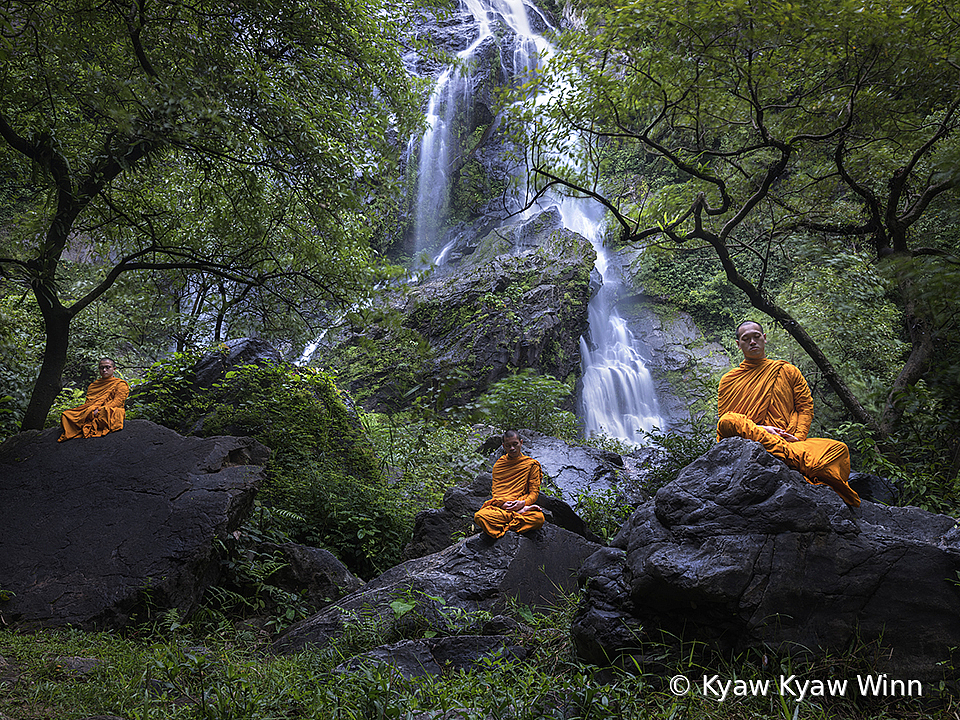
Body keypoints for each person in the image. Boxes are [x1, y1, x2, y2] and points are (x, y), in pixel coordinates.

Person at [717, 321, 861, 507]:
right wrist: (762, 430)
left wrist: (797, 438)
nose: (752, 342)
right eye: (746, 339)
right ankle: (791, 457)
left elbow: (805, 408)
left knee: (838, 448)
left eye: (756, 336)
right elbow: (726, 420)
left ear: (764, 338)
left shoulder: (787, 371)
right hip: (750, 439)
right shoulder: (729, 380)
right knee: (727, 420)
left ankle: (787, 453)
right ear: (738, 344)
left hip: (788, 440)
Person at [474, 429, 546, 538]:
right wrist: (503, 504)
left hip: (520, 503)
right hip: (503, 507)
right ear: (503, 446)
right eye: (508, 445)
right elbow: (497, 492)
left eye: (515, 444)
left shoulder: (531, 464)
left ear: (521, 442)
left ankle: (504, 526)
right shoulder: (499, 465)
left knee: (538, 519)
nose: (512, 448)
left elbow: (534, 493)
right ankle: (518, 516)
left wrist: (523, 503)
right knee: (479, 516)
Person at [58, 358, 130, 442]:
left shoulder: (120, 384)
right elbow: (88, 403)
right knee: (66, 415)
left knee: (105, 412)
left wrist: (99, 410)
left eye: (107, 367)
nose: (104, 370)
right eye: (101, 368)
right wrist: (90, 411)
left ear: (114, 369)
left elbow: (117, 402)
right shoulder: (93, 385)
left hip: (110, 410)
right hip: (93, 409)